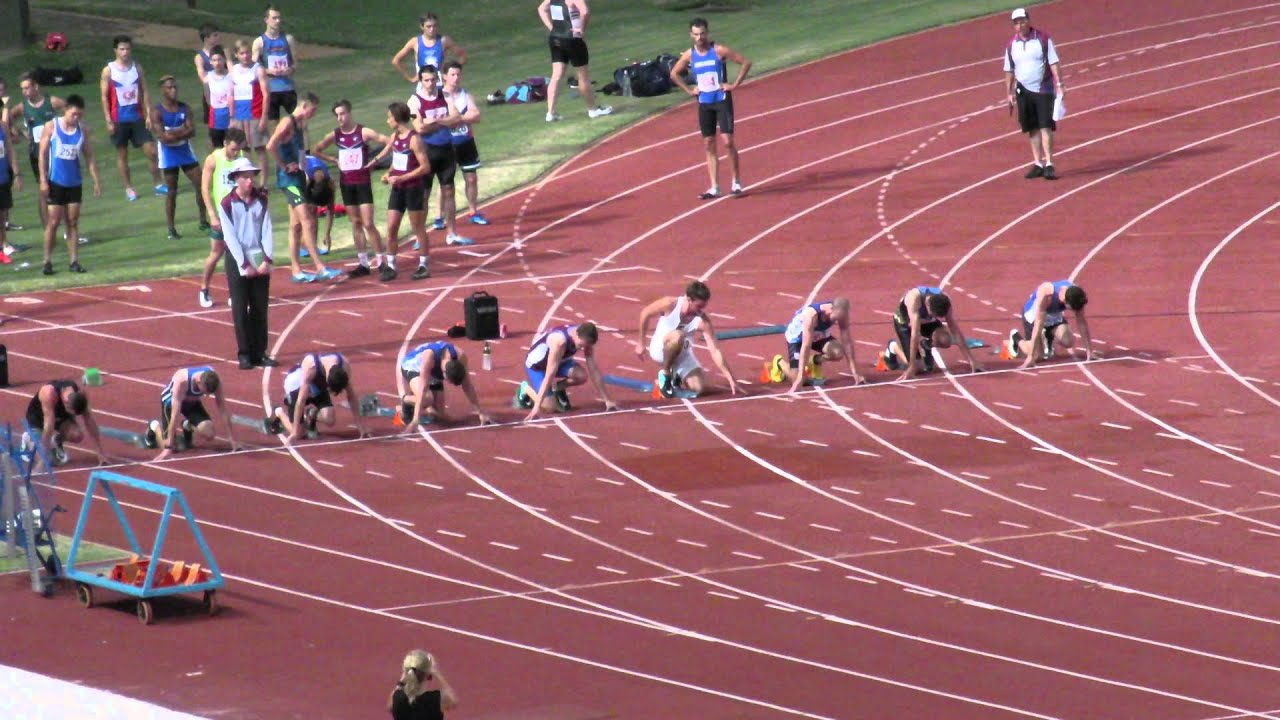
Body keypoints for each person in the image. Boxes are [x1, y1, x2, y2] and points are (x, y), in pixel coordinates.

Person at [670, 18, 751, 199]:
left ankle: (736, 183)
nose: (700, 37)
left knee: (727, 142)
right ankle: (715, 187)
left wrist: (734, 85)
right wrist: (689, 90)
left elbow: (746, 62)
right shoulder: (690, 55)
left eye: (702, 33)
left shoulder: (718, 50)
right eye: (696, 34)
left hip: (721, 100)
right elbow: (674, 74)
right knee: (708, 143)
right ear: (691, 35)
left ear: (707, 33)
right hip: (704, 103)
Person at [267, 91, 340, 282]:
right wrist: (284, 166)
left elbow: (301, 152)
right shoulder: (287, 122)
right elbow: (270, 145)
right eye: (313, 110)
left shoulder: (301, 124)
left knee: (296, 225)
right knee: (307, 220)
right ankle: (320, 267)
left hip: (299, 178)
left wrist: (305, 172)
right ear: (304, 106)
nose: (313, 114)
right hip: (288, 181)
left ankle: (296, 271)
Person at [312, 99, 387, 277]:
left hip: (362, 183)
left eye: (343, 113)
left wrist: (375, 161)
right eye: (337, 115)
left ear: (350, 113)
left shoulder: (363, 132)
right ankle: (363, 264)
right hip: (346, 184)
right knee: (355, 223)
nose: (340, 118)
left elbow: (388, 141)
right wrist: (334, 160)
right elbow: (316, 149)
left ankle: (382, 262)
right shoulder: (336, 135)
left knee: (368, 223)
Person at [216, 157, 277, 370]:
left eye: (251, 177)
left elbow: (267, 229)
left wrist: (267, 259)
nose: (250, 181)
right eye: (245, 177)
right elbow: (230, 237)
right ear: (236, 179)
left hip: (258, 255)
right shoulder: (227, 204)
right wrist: (244, 264)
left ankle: (260, 352)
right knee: (240, 308)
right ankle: (244, 353)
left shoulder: (262, 199)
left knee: (260, 307)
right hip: (237, 259)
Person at [634, 280, 740, 398]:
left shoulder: (702, 321)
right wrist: (641, 343)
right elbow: (645, 313)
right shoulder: (669, 303)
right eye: (698, 306)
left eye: (703, 307)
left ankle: (676, 378)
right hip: (660, 350)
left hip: (683, 356)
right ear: (689, 299)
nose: (700, 310)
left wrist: (730, 377)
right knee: (678, 336)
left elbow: (715, 350)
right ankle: (666, 374)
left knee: (700, 388)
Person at [408, 64, 473, 247]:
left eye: (432, 80)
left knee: (449, 190)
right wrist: (444, 122)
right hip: (426, 152)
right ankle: (420, 237)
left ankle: (452, 233)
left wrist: (435, 121)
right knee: (424, 194)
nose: (430, 83)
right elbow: (420, 128)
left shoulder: (444, 95)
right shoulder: (414, 101)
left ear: (437, 79)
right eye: (426, 80)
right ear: (421, 81)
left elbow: (457, 118)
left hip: (446, 149)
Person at [365, 102, 430, 282]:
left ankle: (424, 265)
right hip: (398, 189)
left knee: (417, 227)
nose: (387, 121)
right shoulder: (395, 137)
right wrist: (389, 173)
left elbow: (425, 167)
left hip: (413, 188)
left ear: (397, 118)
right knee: (392, 227)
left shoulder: (414, 139)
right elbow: (397, 161)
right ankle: (391, 266)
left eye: (389, 117)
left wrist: (402, 178)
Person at [38, 94, 101, 276]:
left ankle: (74, 261)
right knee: (53, 222)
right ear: (65, 110)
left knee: (72, 222)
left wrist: (96, 180)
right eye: (73, 114)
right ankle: (47, 261)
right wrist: (43, 180)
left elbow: (89, 157)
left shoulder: (83, 131)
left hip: (74, 182)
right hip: (55, 181)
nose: (76, 118)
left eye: (79, 115)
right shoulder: (52, 126)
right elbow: (42, 154)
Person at [99, 35, 164, 201]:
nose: (125, 52)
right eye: (122, 49)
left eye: (128, 49)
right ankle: (129, 188)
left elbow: (145, 91)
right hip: (118, 119)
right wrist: (108, 120)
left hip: (138, 117)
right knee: (122, 154)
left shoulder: (137, 68)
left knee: (151, 150)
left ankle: (158, 184)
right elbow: (104, 97)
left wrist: (148, 114)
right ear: (115, 50)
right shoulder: (108, 71)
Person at [1004, 7, 1063, 180]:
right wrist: (1009, 92)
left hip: (1043, 89)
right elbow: (1009, 70)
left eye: (1022, 21)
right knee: (1032, 128)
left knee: (1045, 126)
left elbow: (1054, 62)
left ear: (1028, 21)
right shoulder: (1012, 45)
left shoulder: (1043, 39)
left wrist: (1059, 83)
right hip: (1023, 91)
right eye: (1016, 23)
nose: (1020, 25)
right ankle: (1038, 163)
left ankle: (1049, 163)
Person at [517, 322, 617, 422]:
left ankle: (557, 388)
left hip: (561, 361)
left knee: (581, 376)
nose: (582, 348)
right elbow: (550, 374)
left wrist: (607, 400)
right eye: (581, 345)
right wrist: (537, 407)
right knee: (549, 407)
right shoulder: (559, 342)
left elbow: (593, 369)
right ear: (577, 335)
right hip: (538, 366)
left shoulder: (585, 336)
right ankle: (525, 388)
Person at [880, 286, 982, 380]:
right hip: (906, 323)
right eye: (933, 314)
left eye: (936, 316)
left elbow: (955, 331)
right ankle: (893, 347)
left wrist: (972, 360)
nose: (933, 316)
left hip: (926, 322)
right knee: (917, 368)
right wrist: (911, 366)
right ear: (927, 304)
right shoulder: (914, 300)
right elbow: (914, 335)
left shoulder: (945, 301)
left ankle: (926, 345)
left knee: (945, 340)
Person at [151, 76, 209, 240]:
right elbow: (163, 138)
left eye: (175, 87)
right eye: (169, 88)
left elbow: (192, 131)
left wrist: (173, 133)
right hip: (168, 155)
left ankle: (203, 221)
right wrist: (181, 131)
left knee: (201, 184)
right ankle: (171, 229)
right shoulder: (157, 111)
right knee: (172, 191)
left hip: (185, 152)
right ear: (162, 90)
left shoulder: (185, 108)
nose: (173, 90)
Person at [537, 0, 613, 122]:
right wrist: (581, 29)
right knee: (583, 76)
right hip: (572, 38)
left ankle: (550, 112)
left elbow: (541, 9)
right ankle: (593, 109)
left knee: (556, 75)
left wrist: (552, 28)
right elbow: (585, 12)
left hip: (555, 38)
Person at [267, 352, 368, 441]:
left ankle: (311, 413)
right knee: (299, 433)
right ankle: (278, 412)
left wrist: (360, 427)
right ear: (327, 380)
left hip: (318, 386)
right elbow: (301, 401)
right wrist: (294, 433)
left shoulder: (344, 366)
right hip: (296, 386)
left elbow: (352, 397)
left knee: (329, 419)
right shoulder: (311, 367)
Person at [771, 298, 865, 393]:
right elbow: (806, 345)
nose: (837, 321)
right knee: (799, 379)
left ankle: (814, 361)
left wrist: (855, 372)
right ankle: (779, 362)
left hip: (818, 335)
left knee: (838, 353)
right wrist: (800, 377)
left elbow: (847, 342)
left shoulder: (841, 312)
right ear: (831, 309)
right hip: (798, 338)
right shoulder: (811, 315)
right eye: (835, 318)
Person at [9, 73, 64, 232]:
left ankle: (65, 228)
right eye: (22, 89)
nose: (25, 92)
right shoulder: (22, 107)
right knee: (43, 189)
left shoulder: (51, 102)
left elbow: (69, 110)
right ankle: (48, 229)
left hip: (54, 151)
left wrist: (63, 129)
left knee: (61, 187)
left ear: (36, 87)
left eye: (27, 88)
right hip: (36, 152)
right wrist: (18, 132)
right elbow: (8, 118)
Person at [199, 126, 247, 308]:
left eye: (238, 149)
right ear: (225, 143)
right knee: (216, 252)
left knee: (238, 254)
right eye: (233, 149)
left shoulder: (242, 158)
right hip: (221, 214)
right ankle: (204, 289)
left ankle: (235, 292)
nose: (235, 153)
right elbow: (205, 189)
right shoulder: (213, 159)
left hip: (238, 213)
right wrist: (212, 215)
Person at [146, 366, 238, 460]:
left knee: (209, 434)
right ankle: (154, 425)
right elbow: (174, 416)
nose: (207, 395)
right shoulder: (182, 380)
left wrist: (232, 440)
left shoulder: (215, 379)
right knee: (171, 447)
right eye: (205, 392)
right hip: (170, 403)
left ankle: (187, 425)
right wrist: (167, 449)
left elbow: (223, 409)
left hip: (192, 402)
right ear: (199, 382)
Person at [440, 61, 488, 227]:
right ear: (444, 76)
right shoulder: (439, 96)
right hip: (447, 144)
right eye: (452, 74)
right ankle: (440, 216)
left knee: (472, 178)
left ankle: (473, 211)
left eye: (458, 74)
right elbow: (440, 121)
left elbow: (476, 116)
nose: (456, 78)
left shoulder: (466, 95)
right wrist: (464, 117)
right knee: (446, 183)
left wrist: (456, 119)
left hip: (466, 142)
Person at [400, 341, 492, 427]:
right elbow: (423, 388)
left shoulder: (461, 357)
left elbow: (467, 386)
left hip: (433, 371)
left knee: (440, 415)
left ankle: (429, 407)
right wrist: (416, 419)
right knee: (427, 399)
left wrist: (481, 412)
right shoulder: (429, 356)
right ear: (443, 372)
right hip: (413, 367)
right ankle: (405, 399)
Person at [1007, 280, 1096, 368]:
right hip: (1034, 315)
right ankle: (1016, 338)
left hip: (1053, 315)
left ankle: (1048, 335)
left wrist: (1089, 351)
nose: (1074, 311)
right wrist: (1030, 357)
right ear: (1065, 301)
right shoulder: (1047, 294)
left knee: (1068, 341)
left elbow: (1081, 323)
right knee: (1037, 356)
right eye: (1072, 309)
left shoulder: (1077, 295)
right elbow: (1038, 326)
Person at [23, 380, 105, 466]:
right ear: (66, 404)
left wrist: (100, 453)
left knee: (77, 435)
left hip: (59, 417)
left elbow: (89, 421)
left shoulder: (80, 393)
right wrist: (41, 463)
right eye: (71, 413)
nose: (73, 416)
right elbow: (48, 427)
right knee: (47, 460)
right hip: (38, 420)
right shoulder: (49, 394)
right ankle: (28, 438)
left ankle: (56, 440)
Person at [251, 5, 299, 133]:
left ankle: (303, 146)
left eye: (279, 18)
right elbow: (254, 68)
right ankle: (277, 145)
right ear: (266, 20)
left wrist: (290, 69)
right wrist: (268, 71)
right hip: (270, 90)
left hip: (288, 87)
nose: (278, 21)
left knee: (299, 123)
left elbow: (295, 63)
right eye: (274, 18)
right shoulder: (259, 42)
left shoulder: (288, 39)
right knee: (275, 127)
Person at [229, 39, 271, 181]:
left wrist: (264, 117)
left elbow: (266, 94)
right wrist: (231, 117)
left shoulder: (258, 69)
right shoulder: (234, 71)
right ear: (236, 55)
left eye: (247, 53)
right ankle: (250, 182)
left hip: (255, 114)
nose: (245, 56)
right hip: (240, 116)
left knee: (260, 149)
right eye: (242, 53)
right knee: (244, 149)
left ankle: (264, 184)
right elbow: (231, 94)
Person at [391, 13, 468, 85]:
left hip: (440, 85)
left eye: (435, 26)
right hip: (423, 86)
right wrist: (410, 79)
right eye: (428, 26)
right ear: (422, 27)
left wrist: (450, 73)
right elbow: (396, 60)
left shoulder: (444, 41)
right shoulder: (415, 42)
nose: (432, 29)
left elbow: (463, 56)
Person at [388, 650, 458, 720]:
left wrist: (404, 675)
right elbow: (452, 701)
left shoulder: (397, 697)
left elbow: (390, 706)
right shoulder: (436, 699)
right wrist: (436, 673)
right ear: (428, 674)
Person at [192, 22, 221, 147]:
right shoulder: (200, 57)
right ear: (206, 38)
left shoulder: (222, 53)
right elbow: (202, 75)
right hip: (210, 95)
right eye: (215, 35)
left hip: (225, 94)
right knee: (212, 130)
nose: (218, 38)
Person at [0, 98, 20, 266]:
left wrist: (17, 173)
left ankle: (2, 247)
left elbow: (10, 150)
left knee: (2, 215)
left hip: (3, 177)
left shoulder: (2, 126)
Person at [303, 152, 335, 254]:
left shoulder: (330, 182)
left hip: (312, 177)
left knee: (312, 211)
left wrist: (327, 234)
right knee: (304, 212)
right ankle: (304, 245)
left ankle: (313, 245)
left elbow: (331, 210)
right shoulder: (305, 177)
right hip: (294, 173)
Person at [204, 44, 233, 149]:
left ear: (224, 60)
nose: (217, 63)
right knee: (217, 147)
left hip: (229, 114)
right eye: (214, 60)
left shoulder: (231, 76)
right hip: (216, 116)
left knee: (232, 145)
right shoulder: (208, 78)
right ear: (210, 61)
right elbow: (207, 97)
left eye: (219, 59)